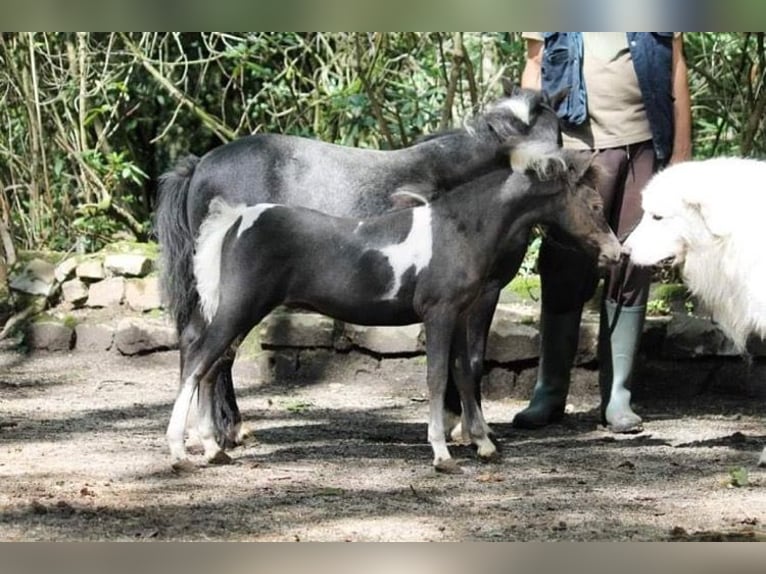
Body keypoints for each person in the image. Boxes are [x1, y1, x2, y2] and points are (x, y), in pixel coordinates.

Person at [512, 32, 692, 433]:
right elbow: (535, 65)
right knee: (563, 263)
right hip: (574, 150)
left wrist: (681, 152)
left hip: (644, 146)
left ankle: (618, 396)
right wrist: (534, 146)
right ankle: (549, 391)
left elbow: (676, 66)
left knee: (632, 263)